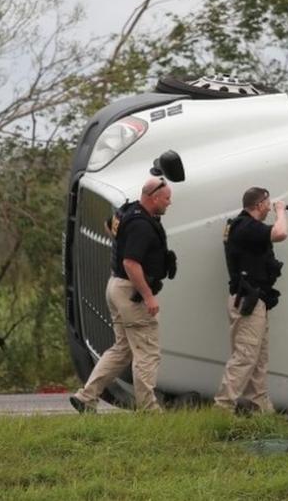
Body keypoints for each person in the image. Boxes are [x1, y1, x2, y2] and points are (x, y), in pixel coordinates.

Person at [70, 176, 176, 413]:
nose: (169, 203)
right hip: (131, 292)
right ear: (154, 197)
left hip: (116, 287)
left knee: (121, 350)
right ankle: (149, 410)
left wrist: (123, 241)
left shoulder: (128, 211)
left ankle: (86, 397)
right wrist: (147, 295)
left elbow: (110, 225)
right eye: (167, 199)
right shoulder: (141, 225)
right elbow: (130, 262)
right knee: (147, 352)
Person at [214, 187, 288, 414]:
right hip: (248, 301)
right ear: (258, 205)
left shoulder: (245, 227)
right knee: (245, 356)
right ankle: (222, 408)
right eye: (268, 203)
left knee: (258, 358)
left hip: (256, 300)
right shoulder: (245, 227)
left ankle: (260, 408)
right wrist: (281, 211)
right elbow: (280, 233)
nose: (270, 206)